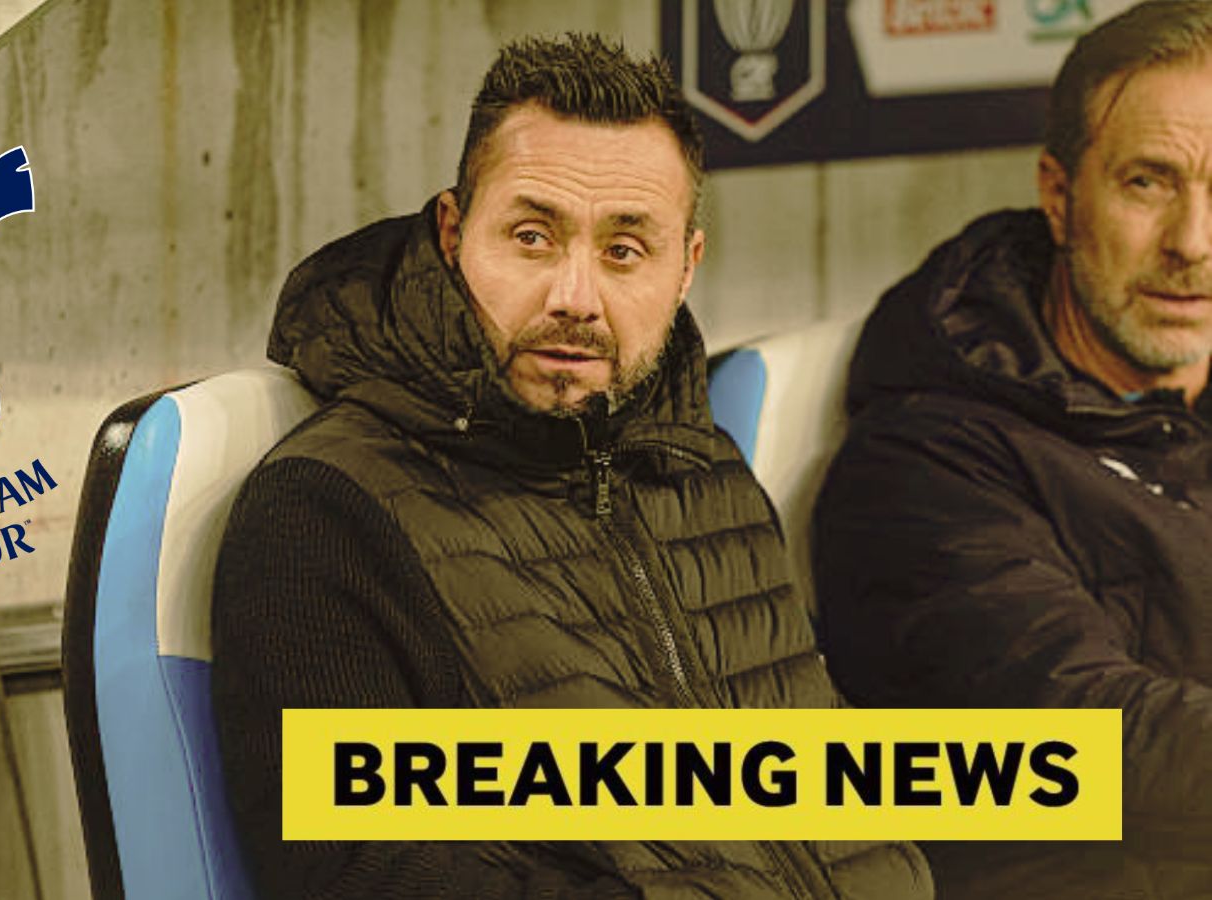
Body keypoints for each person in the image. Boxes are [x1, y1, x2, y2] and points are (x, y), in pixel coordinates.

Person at [211, 33, 931, 900]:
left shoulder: (702, 466)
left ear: (684, 269)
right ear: (452, 234)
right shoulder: (328, 505)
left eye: (624, 251)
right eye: (531, 237)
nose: (574, 298)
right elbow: (362, 871)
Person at [812, 3, 1212, 897]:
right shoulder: (921, 464)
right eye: (1148, 183)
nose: (1192, 242)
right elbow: (1084, 736)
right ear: (1059, 196)